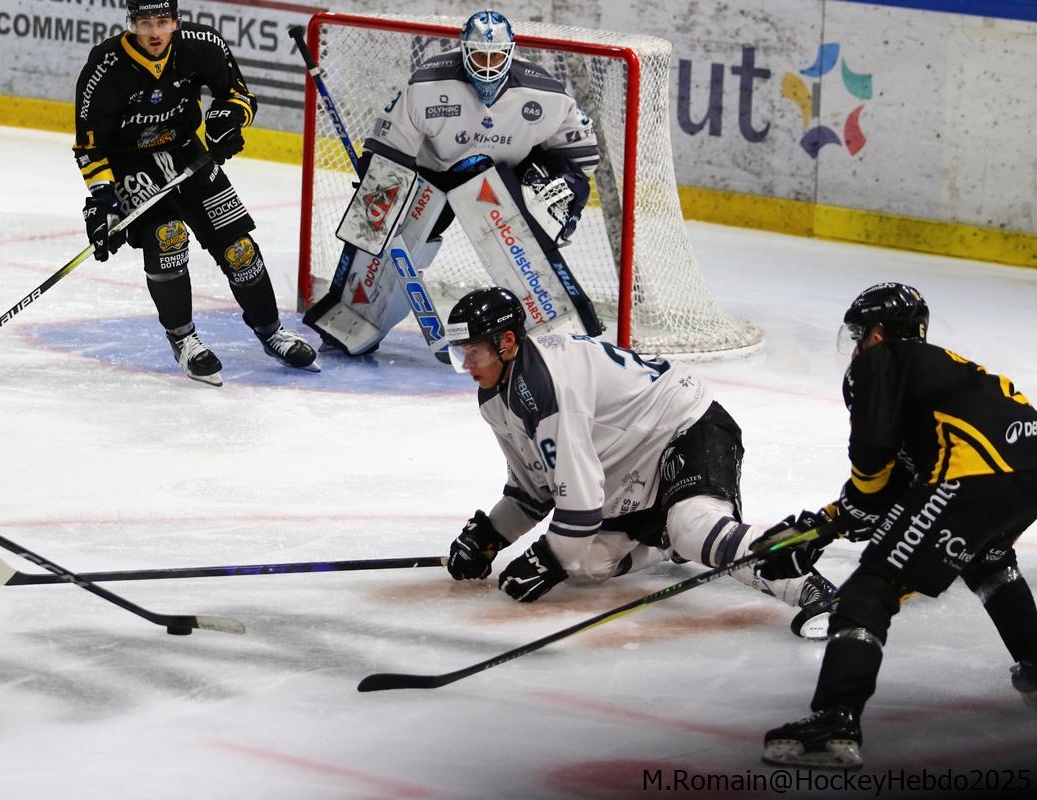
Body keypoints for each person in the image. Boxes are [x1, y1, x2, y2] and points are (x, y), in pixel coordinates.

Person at [442, 286, 836, 638]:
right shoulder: (496, 395)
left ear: (507, 341)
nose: (467, 363)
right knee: (583, 565)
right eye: (463, 353)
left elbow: (580, 506)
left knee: (692, 529)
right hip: (633, 462)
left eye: (474, 351)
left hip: (685, 426)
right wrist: (491, 536)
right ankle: (665, 540)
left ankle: (810, 587)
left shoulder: (547, 386)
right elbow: (534, 490)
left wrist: (547, 559)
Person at [759, 283, 1037, 769]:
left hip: (975, 478)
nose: (857, 347)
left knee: (872, 588)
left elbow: (874, 462)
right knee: (986, 560)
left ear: (879, 333)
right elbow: (904, 489)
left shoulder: (884, 361)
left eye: (859, 334)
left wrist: (836, 521)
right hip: (1023, 474)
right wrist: (823, 525)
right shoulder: (936, 373)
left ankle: (835, 723)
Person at [305, 8, 603, 356]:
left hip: (503, 180)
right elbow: (389, 147)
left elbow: (581, 156)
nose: (487, 66)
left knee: (526, 234)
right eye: (479, 56)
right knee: (379, 214)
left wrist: (563, 190)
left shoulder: (547, 94)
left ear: (510, 53)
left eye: (495, 56)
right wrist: (379, 193)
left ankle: (556, 327)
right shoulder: (428, 84)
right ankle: (354, 314)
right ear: (464, 51)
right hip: (433, 175)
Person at [73, 0, 316, 385]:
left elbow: (239, 95)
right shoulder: (105, 66)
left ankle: (272, 332)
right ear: (131, 23)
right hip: (130, 163)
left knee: (240, 249)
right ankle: (184, 340)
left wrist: (229, 119)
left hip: (189, 155)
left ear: (176, 21)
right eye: (145, 23)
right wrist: (103, 200)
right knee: (167, 236)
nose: (155, 32)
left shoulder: (202, 45)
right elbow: (90, 146)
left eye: (163, 22)